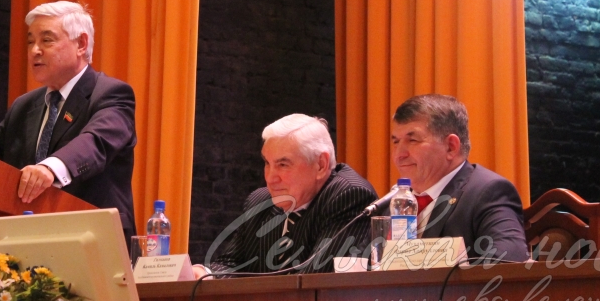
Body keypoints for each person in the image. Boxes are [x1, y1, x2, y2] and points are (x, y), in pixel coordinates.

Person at [0, 1, 137, 237]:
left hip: (94, 237)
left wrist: (50, 168)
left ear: (81, 44)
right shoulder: (24, 106)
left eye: (46, 40)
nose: (34, 50)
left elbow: (95, 142)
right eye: (30, 41)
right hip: (30, 239)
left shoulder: (111, 94)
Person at [198, 114, 377, 276]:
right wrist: (205, 274)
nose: (270, 178)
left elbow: (315, 280)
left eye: (283, 165)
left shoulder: (349, 196)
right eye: (267, 163)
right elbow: (230, 264)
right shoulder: (259, 202)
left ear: (321, 165)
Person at [390, 94, 529, 262]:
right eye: (396, 142)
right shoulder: (393, 202)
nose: (399, 155)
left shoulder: (488, 193)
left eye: (412, 140)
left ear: (451, 147)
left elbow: (507, 263)